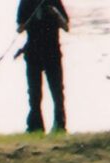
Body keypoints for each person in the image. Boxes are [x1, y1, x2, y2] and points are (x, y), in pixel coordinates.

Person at [17, 0, 69, 134]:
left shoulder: (54, 1)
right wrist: (26, 23)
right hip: (33, 53)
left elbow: (66, 27)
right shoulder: (26, 2)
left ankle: (60, 124)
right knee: (34, 93)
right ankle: (35, 125)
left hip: (52, 53)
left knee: (57, 91)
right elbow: (20, 28)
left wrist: (55, 13)